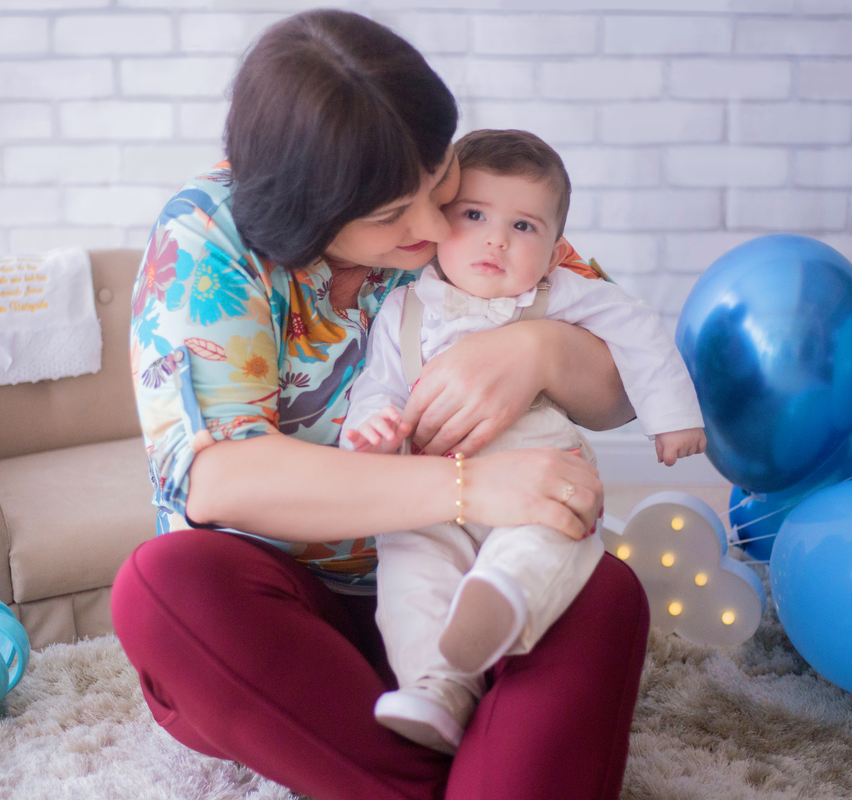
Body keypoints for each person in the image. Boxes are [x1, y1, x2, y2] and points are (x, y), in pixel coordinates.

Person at [111, 10, 650, 800]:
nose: (435, 226)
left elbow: (622, 394)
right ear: (309, 215)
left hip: (472, 586)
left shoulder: (465, 188)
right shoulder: (207, 240)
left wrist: (540, 350)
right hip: (295, 620)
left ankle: (438, 751)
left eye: (438, 187)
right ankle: (469, 768)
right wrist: (469, 487)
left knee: (604, 592)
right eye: (394, 217)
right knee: (163, 588)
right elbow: (220, 478)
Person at [340, 129, 706, 755]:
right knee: (409, 568)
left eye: (524, 227)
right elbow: (379, 389)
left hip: (535, 471)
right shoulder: (403, 308)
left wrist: (671, 417)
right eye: (474, 215)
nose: (496, 239)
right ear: (435, 225)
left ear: (556, 247)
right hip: (431, 490)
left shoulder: (557, 293)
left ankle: (504, 600)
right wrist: (369, 432)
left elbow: (639, 329)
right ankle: (435, 685)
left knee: (550, 534)